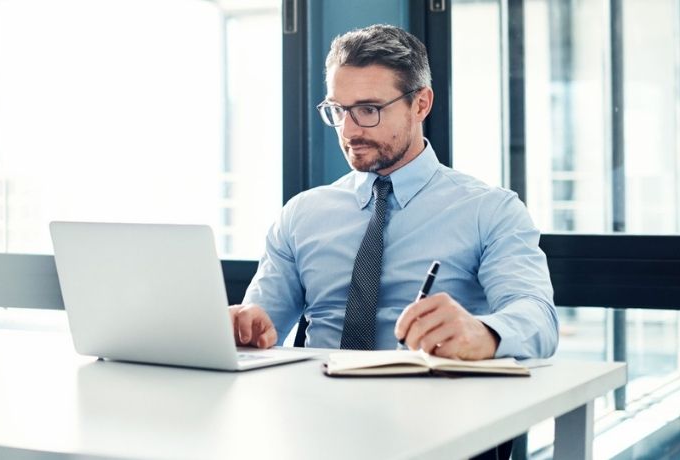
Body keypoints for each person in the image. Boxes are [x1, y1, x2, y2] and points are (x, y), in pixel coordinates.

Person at [229, 24, 558, 361]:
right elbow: (259, 325)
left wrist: (484, 332)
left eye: (368, 110)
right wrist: (244, 325)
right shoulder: (300, 215)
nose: (349, 129)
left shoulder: (489, 210)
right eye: (338, 110)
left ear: (420, 104)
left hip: (433, 403)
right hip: (315, 402)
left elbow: (538, 319)